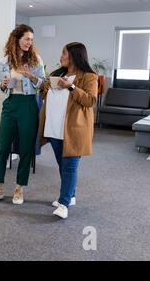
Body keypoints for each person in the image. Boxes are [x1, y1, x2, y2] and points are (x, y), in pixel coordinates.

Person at [0, 25, 45, 205]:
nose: (29, 43)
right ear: (16, 39)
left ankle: (20, 188)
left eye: (31, 40)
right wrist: (3, 84)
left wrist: (31, 76)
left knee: (26, 148)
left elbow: (43, 84)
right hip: (10, 105)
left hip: (28, 105)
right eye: (27, 38)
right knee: (2, 148)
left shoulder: (35, 60)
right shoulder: (3, 63)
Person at [39, 42, 98, 219]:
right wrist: (44, 85)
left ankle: (64, 203)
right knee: (63, 166)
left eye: (63, 53)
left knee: (70, 167)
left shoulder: (89, 76)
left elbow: (90, 101)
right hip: (54, 127)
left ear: (73, 55)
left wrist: (70, 86)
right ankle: (70, 196)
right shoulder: (57, 74)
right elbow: (44, 94)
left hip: (74, 130)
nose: (61, 57)